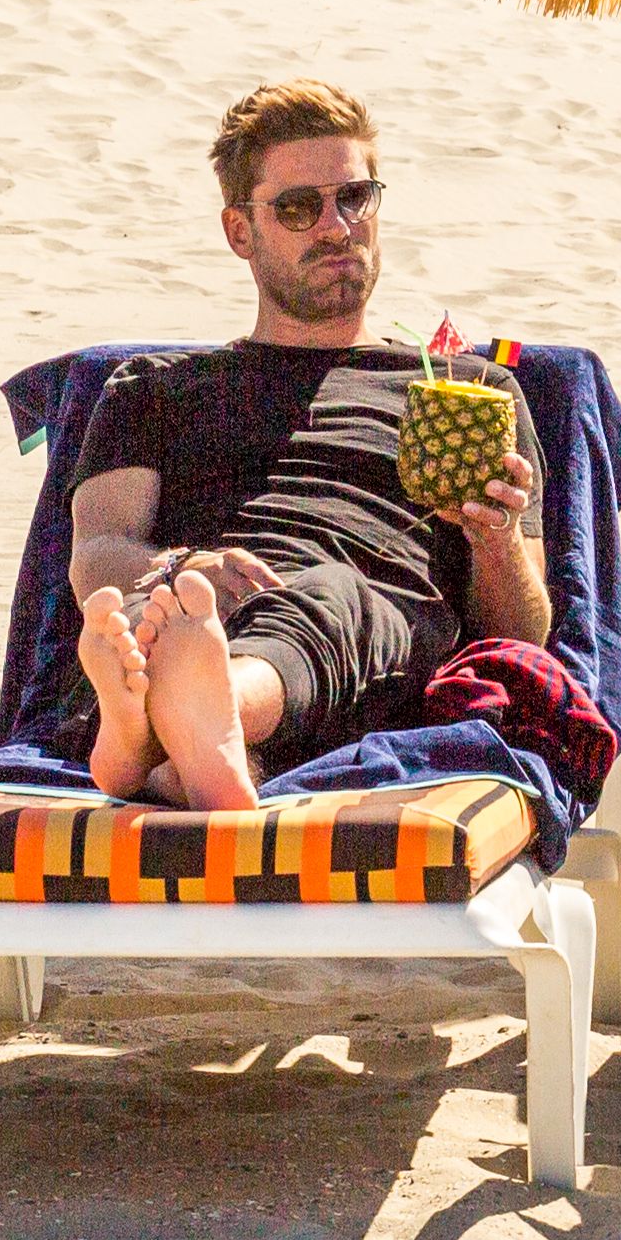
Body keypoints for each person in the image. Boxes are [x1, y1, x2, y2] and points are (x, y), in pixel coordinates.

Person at [65, 79, 551, 810]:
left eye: (355, 197)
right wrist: (183, 565)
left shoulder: (471, 392)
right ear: (239, 231)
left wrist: (495, 539)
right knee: (160, 614)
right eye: (299, 207)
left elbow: (523, 634)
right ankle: (180, 735)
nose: (336, 226)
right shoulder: (152, 388)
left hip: (368, 619)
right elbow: (96, 556)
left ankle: (165, 722)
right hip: (200, 610)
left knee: (327, 594)